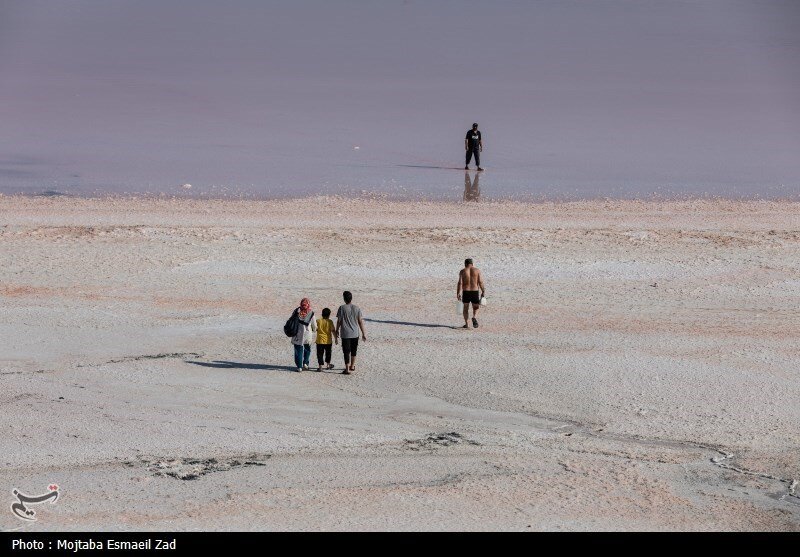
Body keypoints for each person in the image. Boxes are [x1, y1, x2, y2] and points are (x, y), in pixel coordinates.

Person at [334, 291, 367, 375]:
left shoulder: (342, 308)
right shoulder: (357, 308)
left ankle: (347, 369)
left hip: (345, 334)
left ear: (344, 299)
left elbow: (339, 321)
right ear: (351, 298)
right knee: (353, 350)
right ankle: (352, 366)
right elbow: (360, 321)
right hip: (355, 333)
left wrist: (337, 330)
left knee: (346, 351)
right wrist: (363, 333)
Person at [457, 258, 485, 329]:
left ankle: (467, 324)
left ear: (465, 264)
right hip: (474, 291)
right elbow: (480, 282)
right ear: (472, 264)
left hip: (466, 291)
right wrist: (483, 291)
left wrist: (458, 293)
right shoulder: (477, 270)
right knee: (476, 307)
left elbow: (460, 283)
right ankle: (474, 317)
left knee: (465, 308)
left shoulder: (462, 271)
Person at [291, 298, 316, 372]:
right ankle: (305, 363)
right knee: (307, 349)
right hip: (307, 334)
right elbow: (314, 325)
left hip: (297, 333)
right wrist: (314, 330)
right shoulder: (310, 312)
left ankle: (299, 366)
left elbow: (292, 320)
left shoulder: (296, 311)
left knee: (298, 350)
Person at [315, 307, 337, 371]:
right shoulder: (330, 322)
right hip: (328, 341)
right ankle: (328, 365)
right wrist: (336, 338)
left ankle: (320, 367)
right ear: (329, 315)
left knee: (319, 354)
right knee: (328, 353)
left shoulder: (318, 321)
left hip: (319, 340)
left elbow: (315, 329)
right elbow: (333, 331)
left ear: (322, 314)